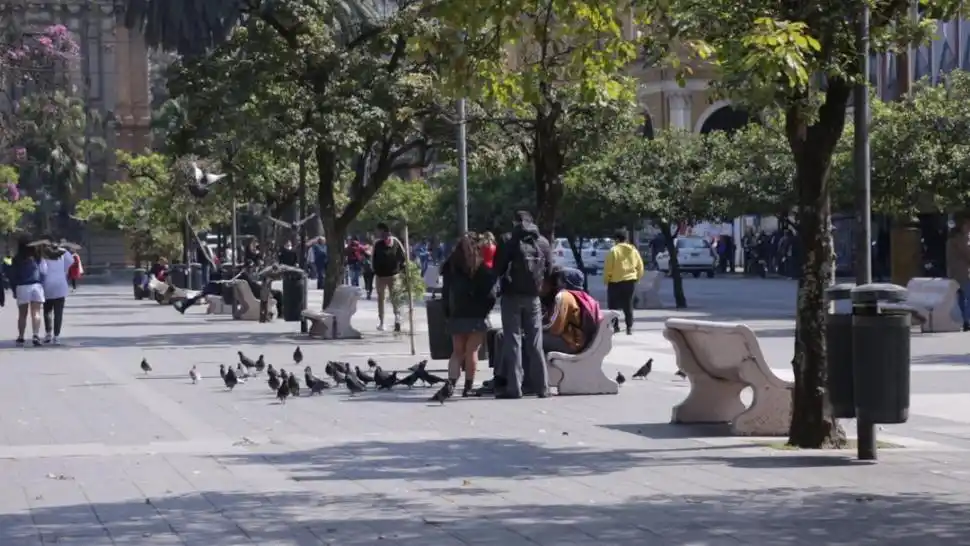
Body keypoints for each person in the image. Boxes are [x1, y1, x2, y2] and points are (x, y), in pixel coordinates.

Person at [492, 210, 553, 399]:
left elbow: (498, 268)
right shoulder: (543, 242)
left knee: (513, 340)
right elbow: (549, 270)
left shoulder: (507, 239)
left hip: (511, 296)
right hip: (533, 297)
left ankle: (514, 387)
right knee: (535, 342)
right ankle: (543, 387)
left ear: (515, 222)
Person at [440, 233, 496, 398]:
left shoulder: (451, 266)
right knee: (472, 351)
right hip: (477, 315)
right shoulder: (482, 268)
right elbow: (492, 295)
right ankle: (468, 387)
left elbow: (445, 293)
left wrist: (447, 312)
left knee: (457, 352)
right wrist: (485, 310)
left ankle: (451, 384)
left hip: (457, 313)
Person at [542, 266, 598, 354]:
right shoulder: (581, 296)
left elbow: (555, 328)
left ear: (565, 281)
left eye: (559, 279)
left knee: (530, 339)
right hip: (580, 342)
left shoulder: (564, 296)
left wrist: (538, 327)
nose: (556, 282)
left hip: (569, 342)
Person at [603, 229, 643, 336]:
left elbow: (608, 268)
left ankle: (615, 326)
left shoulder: (613, 251)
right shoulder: (633, 250)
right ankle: (629, 327)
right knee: (628, 304)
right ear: (626, 239)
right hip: (630, 281)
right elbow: (640, 266)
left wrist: (606, 280)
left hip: (615, 282)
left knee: (613, 306)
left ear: (616, 239)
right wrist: (637, 278)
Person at [7, 238, 47, 346]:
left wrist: (14, 289)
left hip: (22, 286)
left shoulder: (16, 259)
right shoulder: (38, 258)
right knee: (36, 312)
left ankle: (21, 336)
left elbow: (12, 275)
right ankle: (36, 335)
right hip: (36, 286)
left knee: (22, 314)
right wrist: (42, 284)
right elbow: (44, 272)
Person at [372, 222, 406, 332]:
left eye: (378, 230)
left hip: (393, 275)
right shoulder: (377, 243)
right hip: (381, 276)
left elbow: (403, 256)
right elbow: (373, 258)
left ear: (383, 230)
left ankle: (397, 318)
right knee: (382, 299)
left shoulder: (395, 241)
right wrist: (375, 270)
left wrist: (402, 269)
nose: (376, 232)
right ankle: (383, 322)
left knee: (394, 298)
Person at [40, 243, 73, 344]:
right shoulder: (62, 260)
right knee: (58, 312)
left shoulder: (44, 260)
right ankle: (56, 336)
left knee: (47, 311)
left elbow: (42, 271)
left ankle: (48, 333)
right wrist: (61, 248)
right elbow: (71, 260)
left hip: (48, 286)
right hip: (60, 286)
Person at [946, 217, 970, 332]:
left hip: (953, 273)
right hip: (963, 273)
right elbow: (968, 254)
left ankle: (963, 320)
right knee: (968, 297)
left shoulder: (951, 240)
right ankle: (967, 320)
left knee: (960, 298)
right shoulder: (961, 240)